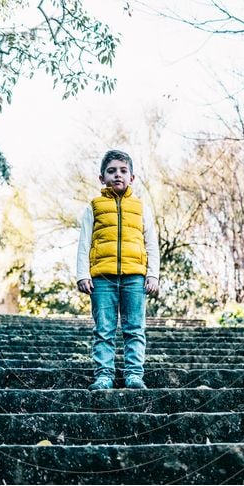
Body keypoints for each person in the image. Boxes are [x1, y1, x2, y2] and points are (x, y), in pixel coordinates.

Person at [76, 150, 160, 390]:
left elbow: (151, 242)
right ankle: (104, 375)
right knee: (104, 329)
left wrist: (152, 273)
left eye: (123, 171)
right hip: (102, 278)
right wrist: (83, 274)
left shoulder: (141, 208)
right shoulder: (94, 206)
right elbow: (85, 242)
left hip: (135, 277)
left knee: (135, 328)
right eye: (111, 171)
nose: (117, 175)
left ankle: (134, 375)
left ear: (132, 177)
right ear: (102, 178)